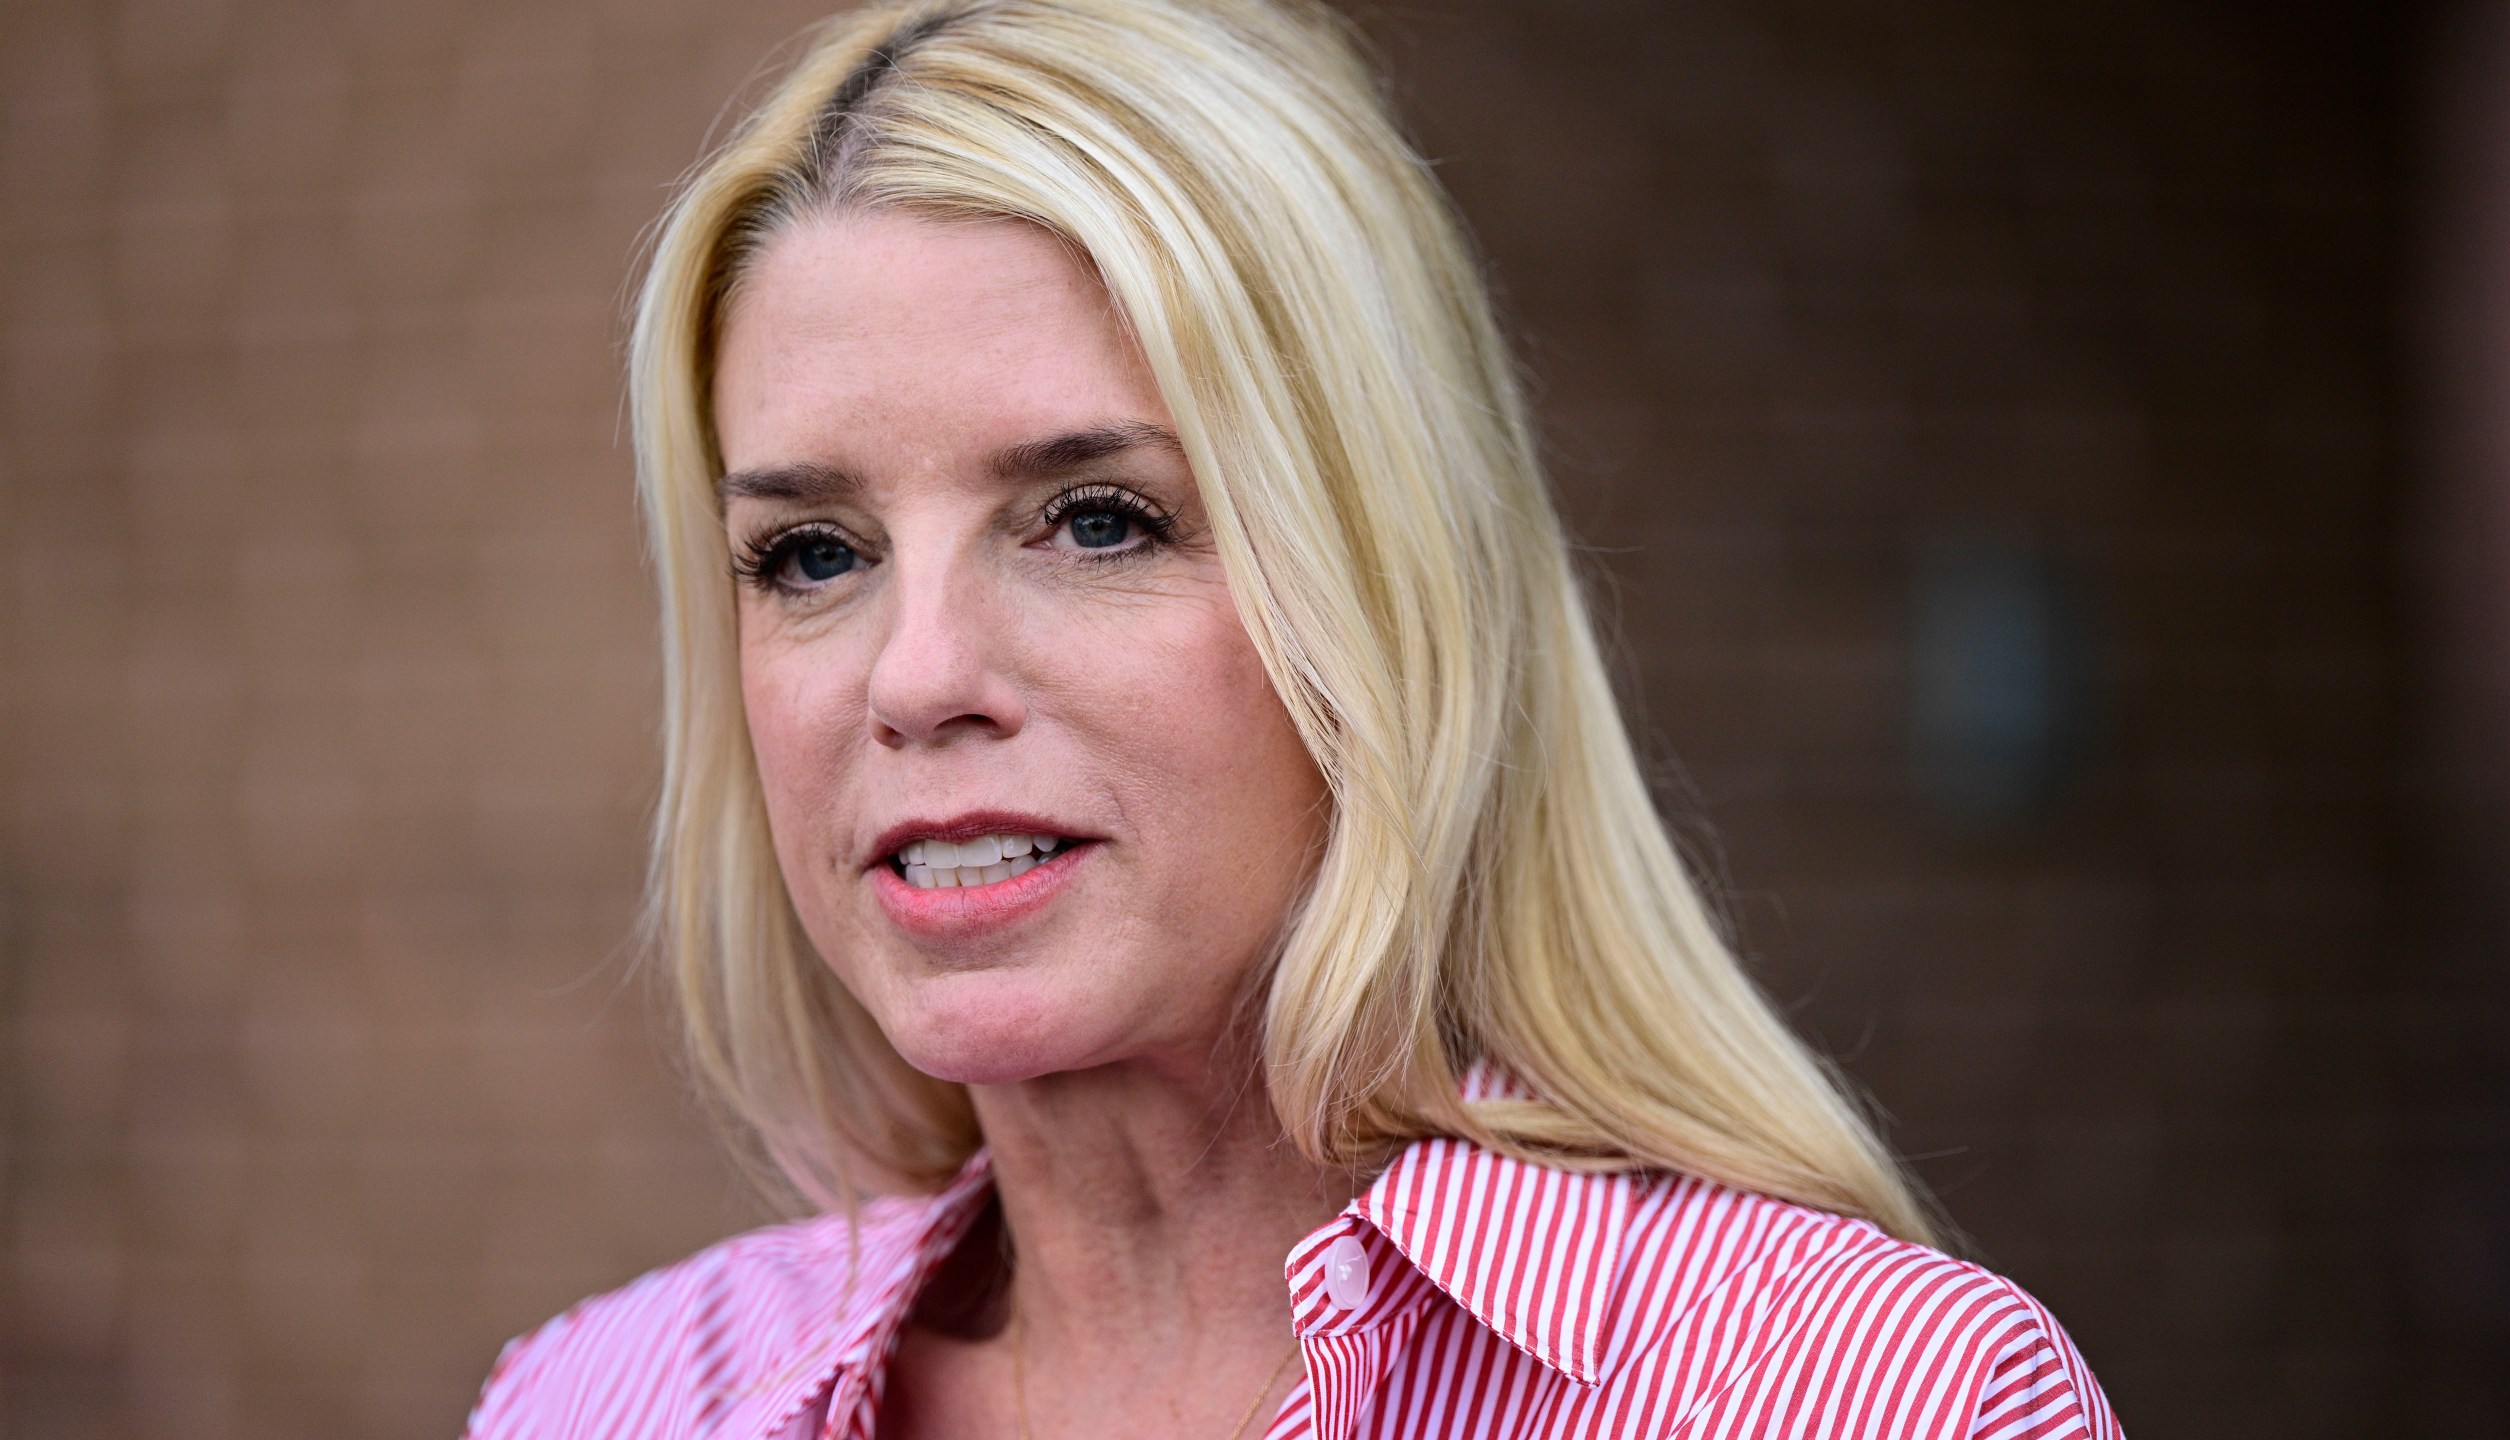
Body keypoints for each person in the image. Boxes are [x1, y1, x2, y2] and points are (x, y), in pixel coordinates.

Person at [464, 0, 2120, 1435]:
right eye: (812, 554)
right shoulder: (606, 1402)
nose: (913, 676)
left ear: (1391, 595)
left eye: (1098, 519)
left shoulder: (1854, 1400)